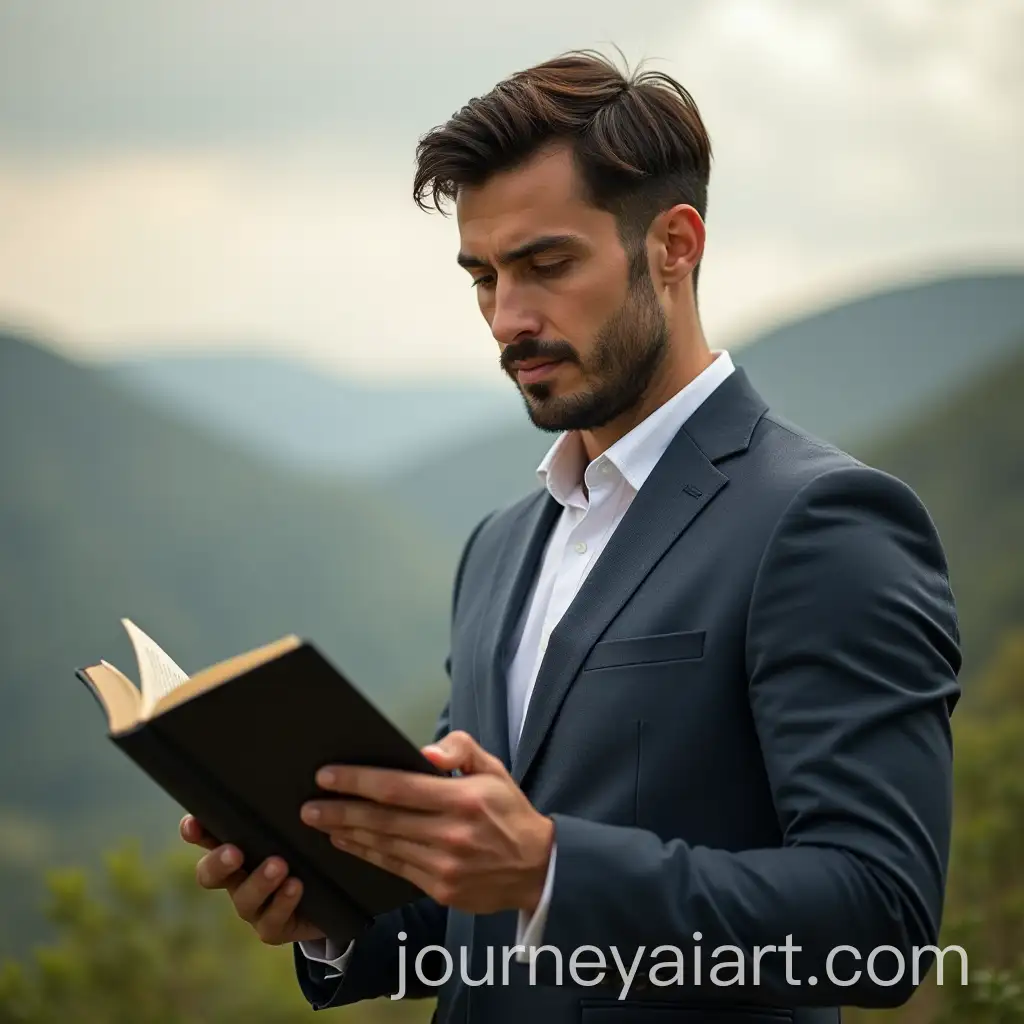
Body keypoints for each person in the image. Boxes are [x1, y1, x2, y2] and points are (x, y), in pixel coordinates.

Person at [181, 49, 961, 1023]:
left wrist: (552, 867)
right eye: (483, 276)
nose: (508, 318)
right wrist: (330, 912)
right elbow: (471, 916)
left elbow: (878, 926)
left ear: (674, 244)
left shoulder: (823, 523)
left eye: (546, 264)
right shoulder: (499, 547)